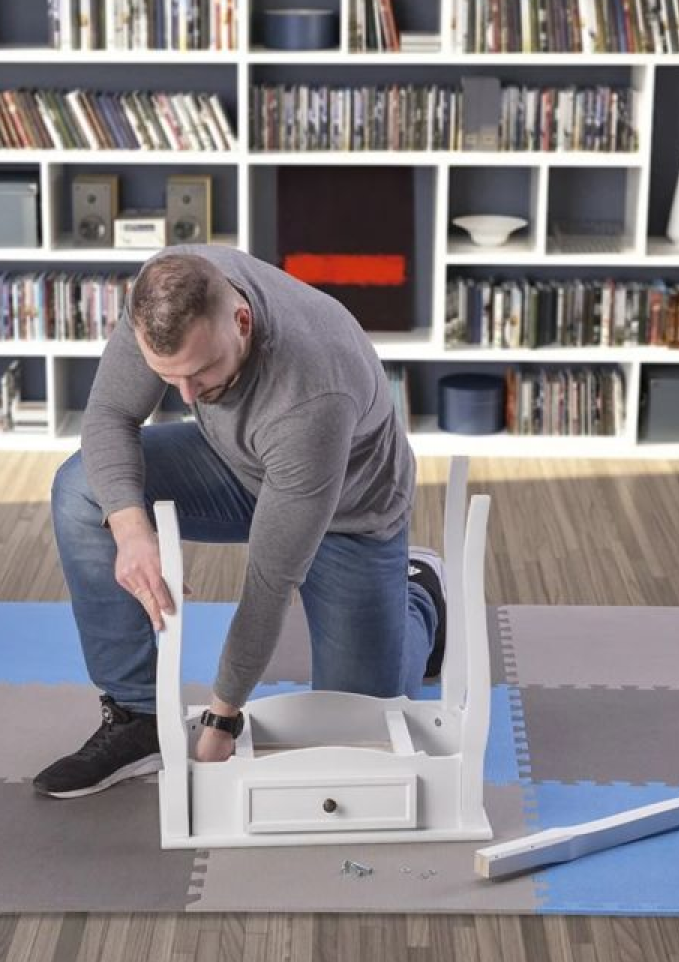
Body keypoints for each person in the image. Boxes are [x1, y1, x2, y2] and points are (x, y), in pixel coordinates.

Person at [34, 244, 447, 798]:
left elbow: (269, 584)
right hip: (238, 464)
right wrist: (130, 532)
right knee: (83, 490)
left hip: (349, 511)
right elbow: (110, 413)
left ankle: (420, 599)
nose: (186, 395)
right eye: (169, 377)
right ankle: (137, 718)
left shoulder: (312, 393)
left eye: (201, 373)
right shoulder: (163, 296)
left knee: (357, 724)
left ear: (243, 322)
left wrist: (222, 720)